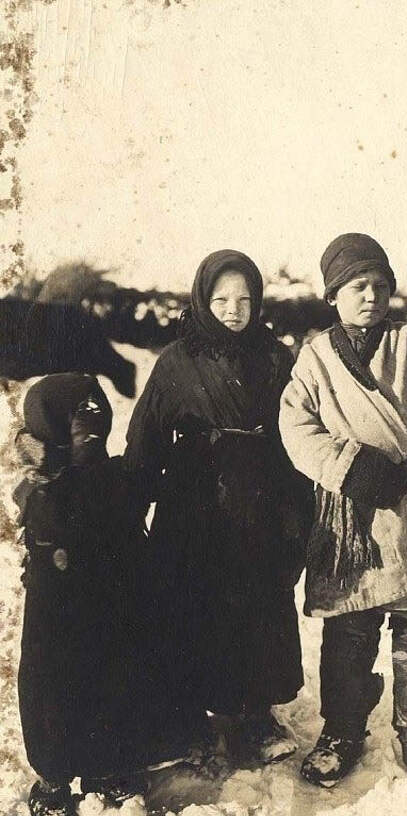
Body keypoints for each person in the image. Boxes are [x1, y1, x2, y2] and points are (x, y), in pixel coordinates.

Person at [279, 233, 407, 788]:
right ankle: (342, 729)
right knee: (349, 627)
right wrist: (347, 466)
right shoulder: (316, 357)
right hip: (348, 515)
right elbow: (294, 427)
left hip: (405, 503)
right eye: (356, 286)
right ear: (333, 295)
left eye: (379, 286)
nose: (370, 296)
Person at [123, 249, 312, 766]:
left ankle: (257, 716)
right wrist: (129, 507)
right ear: (203, 300)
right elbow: (146, 439)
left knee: (259, 607)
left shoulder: (276, 358)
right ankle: (193, 723)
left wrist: (299, 506)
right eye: (222, 299)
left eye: (244, 300)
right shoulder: (176, 362)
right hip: (195, 507)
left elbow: (298, 434)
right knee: (193, 609)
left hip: (260, 501)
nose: (233, 310)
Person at [14, 373, 190, 816]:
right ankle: (52, 786)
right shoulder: (44, 488)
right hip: (61, 618)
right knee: (56, 688)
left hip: (111, 609)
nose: (91, 433)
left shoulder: (114, 477)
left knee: (114, 678)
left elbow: (141, 485)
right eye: (77, 424)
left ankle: (106, 769)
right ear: (51, 429)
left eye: (98, 420)